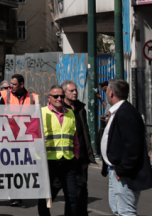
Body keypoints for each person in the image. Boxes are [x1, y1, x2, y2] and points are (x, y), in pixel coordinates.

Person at [102, 79, 152, 216]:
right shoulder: (118, 111)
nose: (106, 93)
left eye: (106, 91)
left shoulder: (126, 113)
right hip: (115, 169)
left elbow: (133, 147)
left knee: (126, 211)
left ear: (111, 93)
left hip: (124, 173)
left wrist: (122, 169)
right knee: (117, 210)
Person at [38, 85, 79, 216]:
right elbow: (31, 138)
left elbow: (75, 138)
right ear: (49, 98)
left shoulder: (70, 113)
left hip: (68, 161)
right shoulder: (41, 113)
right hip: (48, 162)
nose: (59, 99)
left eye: (61, 96)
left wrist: (76, 155)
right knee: (46, 197)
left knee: (72, 196)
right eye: (56, 96)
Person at [62, 80, 94, 216]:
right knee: (66, 190)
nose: (75, 93)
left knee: (82, 189)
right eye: (71, 91)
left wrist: (88, 152)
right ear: (64, 93)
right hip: (65, 156)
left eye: (75, 90)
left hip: (81, 156)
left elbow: (84, 131)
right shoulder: (60, 109)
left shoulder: (80, 108)